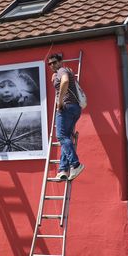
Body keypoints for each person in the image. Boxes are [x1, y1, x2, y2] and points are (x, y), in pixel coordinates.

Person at [47, 53, 85, 181]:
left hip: (67, 107)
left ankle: (76, 165)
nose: (52, 65)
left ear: (60, 62)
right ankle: (63, 170)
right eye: (50, 64)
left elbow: (65, 81)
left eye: (54, 62)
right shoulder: (67, 70)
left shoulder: (61, 70)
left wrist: (60, 101)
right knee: (66, 138)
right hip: (75, 108)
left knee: (61, 137)